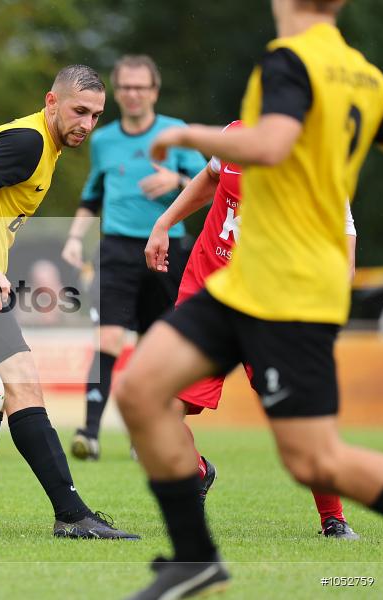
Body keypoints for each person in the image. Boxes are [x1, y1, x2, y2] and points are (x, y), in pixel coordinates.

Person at [113, 1, 383, 597]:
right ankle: (196, 561)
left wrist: (187, 134)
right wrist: (165, 220)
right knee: (140, 389)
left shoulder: (289, 63)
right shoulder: (366, 78)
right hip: (235, 286)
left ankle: (329, 518)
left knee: (315, 460)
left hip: (289, 292)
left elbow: (270, 145)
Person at [0, 64, 138, 540]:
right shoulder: (30, 141)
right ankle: (73, 516)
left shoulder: (41, 144)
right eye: (79, 111)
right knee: (22, 386)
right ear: (51, 101)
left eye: (96, 115)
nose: (87, 124)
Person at [145, 119, 360, 539]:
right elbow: (210, 179)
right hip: (210, 292)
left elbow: (342, 238)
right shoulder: (233, 136)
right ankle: (197, 472)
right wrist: (164, 224)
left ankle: (332, 518)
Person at [60, 55, 208, 461]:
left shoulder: (175, 132)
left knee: (155, 346)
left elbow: (207, 182)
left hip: (166, 250)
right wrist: (75, 238)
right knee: (108, 338)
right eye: (125, 87)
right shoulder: (104, 139)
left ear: (154, 91)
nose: (133, 94)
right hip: (117, 248)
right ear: (117, 91)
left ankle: (143, 432)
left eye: (141, 87)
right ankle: (88, 433)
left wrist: (175, 179)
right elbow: (92, 195)